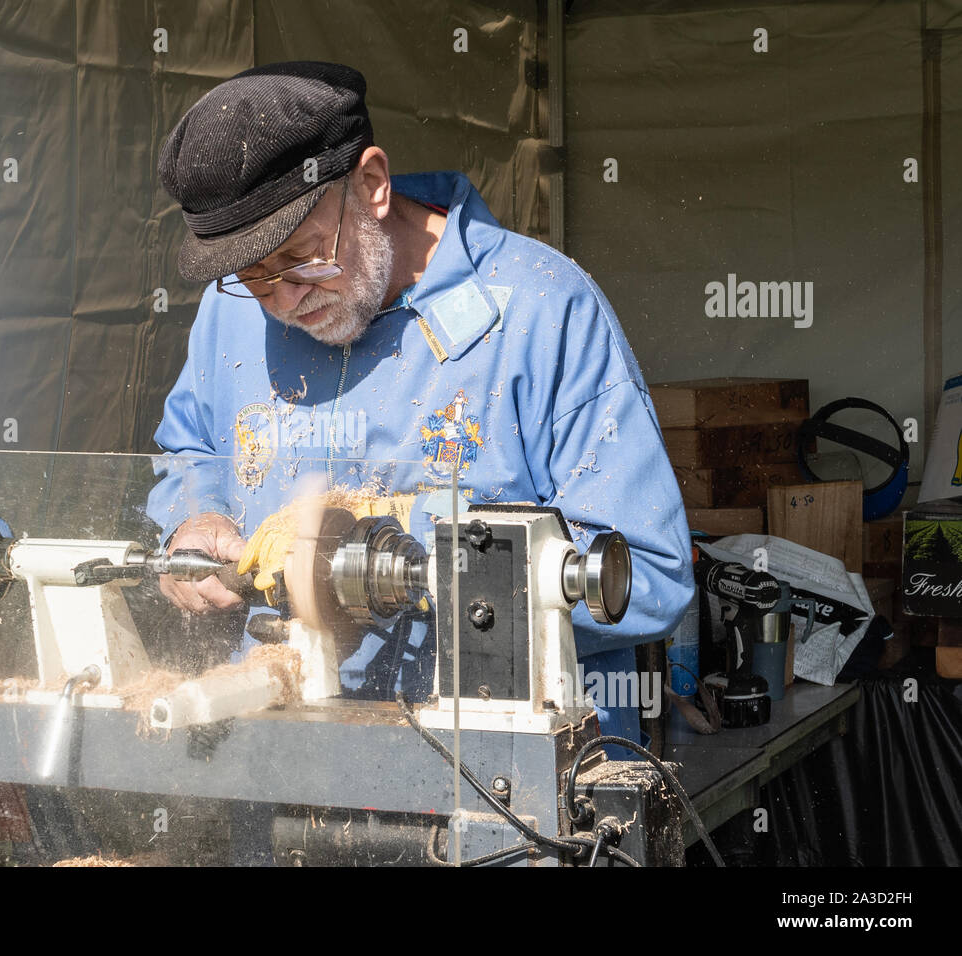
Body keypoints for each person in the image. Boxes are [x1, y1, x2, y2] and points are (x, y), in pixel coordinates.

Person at [146, 61, 694, 745]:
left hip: (498, 786)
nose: (285, 299)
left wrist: (414, 544)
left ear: (372, 185)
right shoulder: (226, 320)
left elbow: (651, 578)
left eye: (306, 257)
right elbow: (190, 450)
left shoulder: (538, 309)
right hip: (279, 759)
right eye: (254, 279)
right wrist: (189, 518)